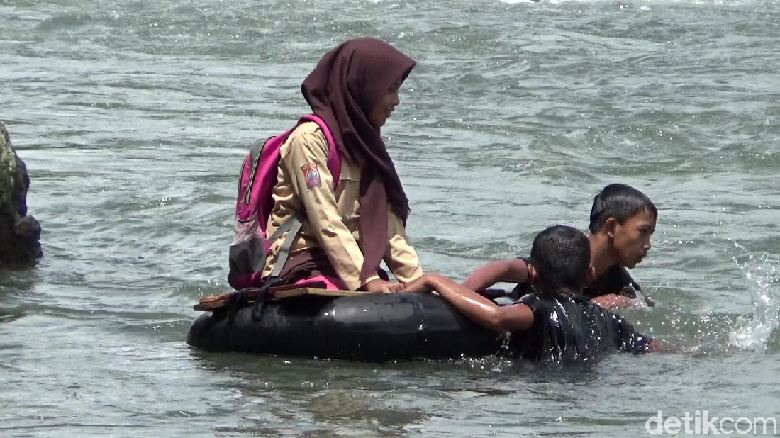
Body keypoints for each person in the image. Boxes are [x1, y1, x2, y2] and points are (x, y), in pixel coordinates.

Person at [259, 38, 424, 293]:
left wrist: (417, 281)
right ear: (364, 85)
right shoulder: (309, 140)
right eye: (390, 90)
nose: (396, 101)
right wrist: (366, 281)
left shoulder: (367, 145)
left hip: (352, 265)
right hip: (301, 262)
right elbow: (325, 219)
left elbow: (389, 229)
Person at [403, 225, 665, 363]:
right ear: (589, 275)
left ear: (534, 275)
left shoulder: (539, 307)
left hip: (544, 393)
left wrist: (435, 281)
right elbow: (651, 347)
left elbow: (498, 318)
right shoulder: (607, 318)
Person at [462, 184, 657, 309]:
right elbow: (506, 268)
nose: (648, 245)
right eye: (643, 232)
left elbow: (648, 309)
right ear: (611, 227)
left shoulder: (619, 283)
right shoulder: (568, 253)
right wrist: (464, 291)